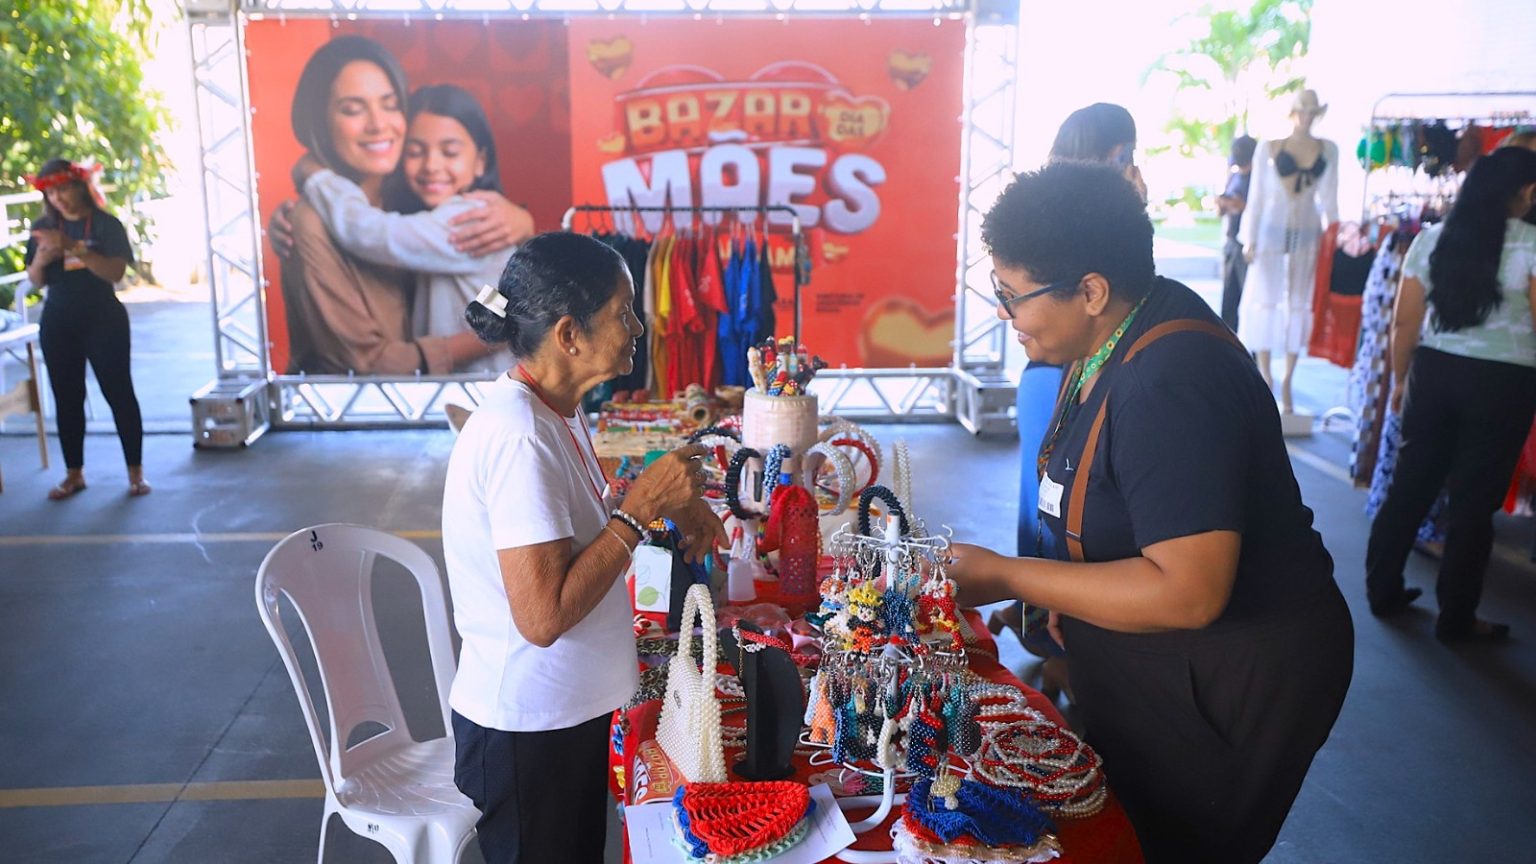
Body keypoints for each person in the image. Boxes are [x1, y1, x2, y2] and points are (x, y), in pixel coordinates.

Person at [949, 161, 1353, 863]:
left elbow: (1188, 590)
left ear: (1092, 291)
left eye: (1013, 296)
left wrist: (1011, 577)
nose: (1003, 313)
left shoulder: (1169, 381)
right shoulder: (1106, 336)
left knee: (1169, 844)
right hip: (1157, 659)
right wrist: (1061, 607)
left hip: (1230, 677)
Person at [441, 232, 727, 863]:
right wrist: (640, 508)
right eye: (621, 313)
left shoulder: (554, 410)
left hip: (562, 717)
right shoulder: (520, 436)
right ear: (569, 334)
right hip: (527, 730)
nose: (636, 327)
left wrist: (665, 499)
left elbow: (573, 528)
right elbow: (543, 617)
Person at [276, 36, 531, 375]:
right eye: (352, 109)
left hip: (479, 387)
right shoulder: (328, 218)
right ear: (319, 123)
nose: (378, 124)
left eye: (390, 104)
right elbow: (367, 363)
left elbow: (369, 231)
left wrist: (523, 228)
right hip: (376, 405)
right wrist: (496, 328)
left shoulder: (467, 217)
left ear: (480, 162)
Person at [995, 103, 1143, 682]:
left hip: (1056, 373)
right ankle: (1049, 632)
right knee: (1052, 502)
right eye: (1129, 158)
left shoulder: (1163, 367)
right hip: (1054, 376)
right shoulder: (1074, 230)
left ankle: (1049, 628)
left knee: (1065, 504)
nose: (1137, 173)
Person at [1364, 147, 1536, 642]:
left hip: (1434, 374)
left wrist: (1401, 381)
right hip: (1504, 381)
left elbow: (1405, 321)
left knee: (1410, 486)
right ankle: (1457, 617)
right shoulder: (1530, 244)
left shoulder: (1432, 240)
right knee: (1473, 503)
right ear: (1527, 193)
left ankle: (1383, 590)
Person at [22, 159, 149, 499]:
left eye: (63, 189)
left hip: (103, 319)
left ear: (80, 186)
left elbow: (115, 273)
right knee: (66, 397)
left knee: (119, 393)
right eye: (50, 192)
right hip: (59, 321)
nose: (58, 198)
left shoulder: (106, 225)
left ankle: (135, 472)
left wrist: (74, 248)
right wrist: (41, 260)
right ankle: (73, 473)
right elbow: (34, 280)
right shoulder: (43, 228)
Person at [1238, 89, 1339, 415]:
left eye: (1311, 111)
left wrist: (1336, 235)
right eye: (1301, 110)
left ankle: (1289, 380)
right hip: (1270, 233)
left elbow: (1330, 198)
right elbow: (1256, 196)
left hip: (1308, 236)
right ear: (1293, 112)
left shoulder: (1328, 150)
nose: (1306, 117)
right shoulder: (1270, 148)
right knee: (1265, 299)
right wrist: (1248, 237)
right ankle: (1266, 375)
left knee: (1299, 302)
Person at [1217, 135, 1257, 330]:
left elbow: (1252, 208)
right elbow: (1224, 209)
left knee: (1247, 301)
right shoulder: (1234, 176)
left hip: (1247, 244)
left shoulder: (1257, 180)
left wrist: (1239, 206)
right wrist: (1222, 204)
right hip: (1231, 241)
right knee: (1228, 301)